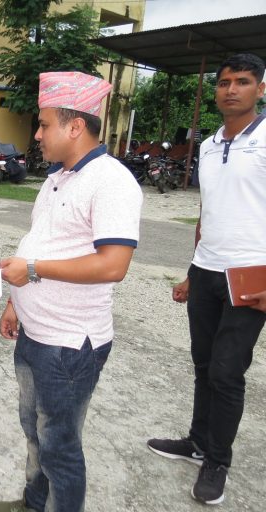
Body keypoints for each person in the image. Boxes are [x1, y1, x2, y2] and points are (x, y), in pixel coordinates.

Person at [0, 71, 142, 512]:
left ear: (75, 127)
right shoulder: (58, 177)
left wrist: (32, 270)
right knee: (34, 430)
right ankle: (34, 502)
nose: (36, 135)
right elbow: (42, 241)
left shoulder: (111, 181)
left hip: (70, 346)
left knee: (60, 447)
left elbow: (113, 265)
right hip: (35, 333)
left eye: (43, 124)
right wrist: (16, 303)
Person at [147, 53, 266, 506]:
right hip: (207, 269)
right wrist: (193, 272)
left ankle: (218, 460)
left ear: (261, 89)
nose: (231, 89)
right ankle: (198, 442)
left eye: (243, 81)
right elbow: (208, 212)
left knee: (226, 371)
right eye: (224, 82)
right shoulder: (211, 144)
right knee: (202, 364)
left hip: (250, 274)